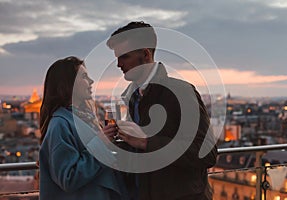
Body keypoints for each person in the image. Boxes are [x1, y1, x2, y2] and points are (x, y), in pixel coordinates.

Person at [106, 21, 218, 200]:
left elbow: (207, 154)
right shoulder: (130, 97)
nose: (119, 64)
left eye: (124, 56)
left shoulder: (181, 92)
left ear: (145, 54)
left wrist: (146, 142)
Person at [39, 56, 129, 200]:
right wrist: (101, 143)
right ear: (69, 84)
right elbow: (68, 178)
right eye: (84, 77)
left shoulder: (82, 118)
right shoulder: (60, 124)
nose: (91, 81)